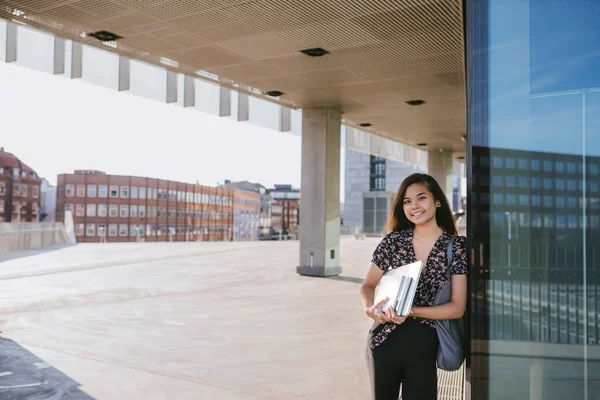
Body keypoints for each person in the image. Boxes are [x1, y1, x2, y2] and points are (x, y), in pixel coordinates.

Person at [360, 173, 468, 400]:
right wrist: (370, 309)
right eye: (407, 201)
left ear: (437, 201)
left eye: (421, 198)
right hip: (383, 340)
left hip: (424, 345)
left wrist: (412, 311)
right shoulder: (393, 241)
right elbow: (368, 285)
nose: (414, 206)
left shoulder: (456, 247)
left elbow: (457, 308)